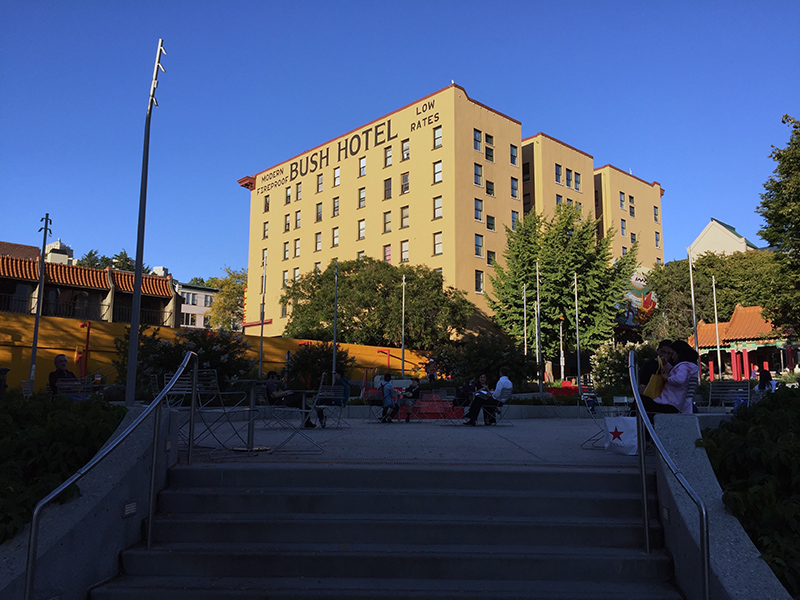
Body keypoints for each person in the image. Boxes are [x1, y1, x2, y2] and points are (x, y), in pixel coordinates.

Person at [639, 340, 699, 416]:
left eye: (672, 353)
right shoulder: (687, 366)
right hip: (674, 404)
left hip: (670, 403)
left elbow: (680, 379)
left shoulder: (683, 366)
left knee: (640, 401)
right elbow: (674, 372)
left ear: (679, 354)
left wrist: (667, 378)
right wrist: (666, 365)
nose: (671, 356)